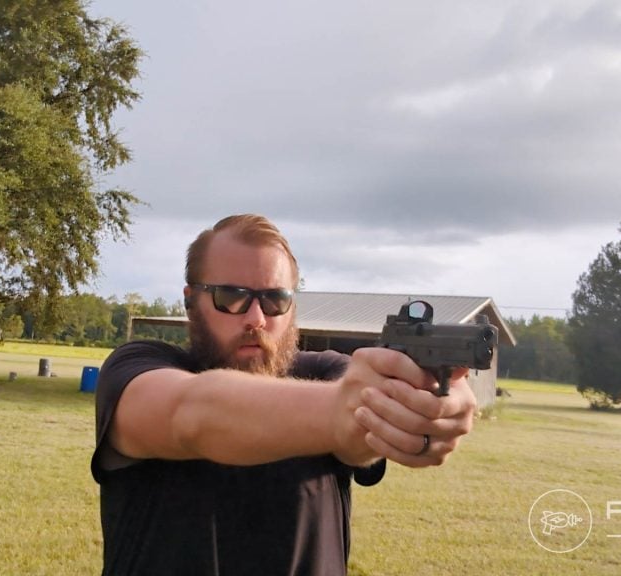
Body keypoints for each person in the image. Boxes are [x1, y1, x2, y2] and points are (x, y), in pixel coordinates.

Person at [90, 214, 477, 575]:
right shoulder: (137, 367)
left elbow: (360, 439)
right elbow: (194, 415)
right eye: (231, 297)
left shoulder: (329, 371)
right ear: (191, 300)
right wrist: (349, 407)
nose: (256, 319)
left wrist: (422, 399)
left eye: (275, 300)